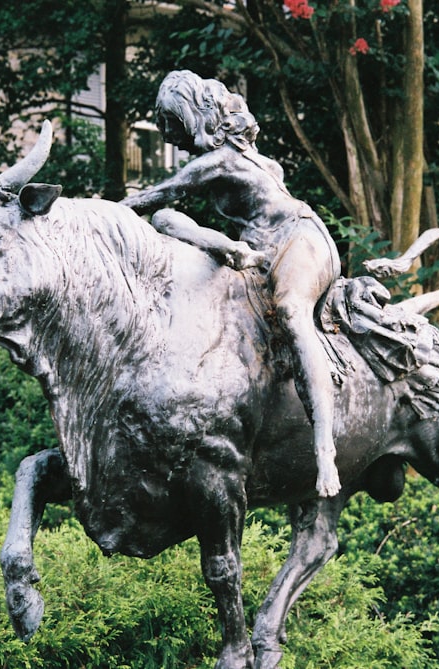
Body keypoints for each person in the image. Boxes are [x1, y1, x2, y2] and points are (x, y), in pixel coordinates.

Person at [120, 70, 343, 497]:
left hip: (299, 238)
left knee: (293, 311)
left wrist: (88, 215)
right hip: (255, 249)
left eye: (173, 127)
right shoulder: (234, 154)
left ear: (190, 117)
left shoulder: (219, 160)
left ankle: (324, 446)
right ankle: (229, 252)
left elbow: (155, 195)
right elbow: (161, 212)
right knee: (169, 226)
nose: (170, 139)